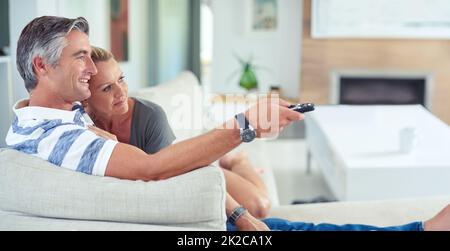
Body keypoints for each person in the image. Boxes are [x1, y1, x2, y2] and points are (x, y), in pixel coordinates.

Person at [5, 16, 450, 231]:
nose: (88, 67)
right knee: (282, 223)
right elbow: (150, 169)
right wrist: (245, 125)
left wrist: (92, 129)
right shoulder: (56, 134)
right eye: (78, 56)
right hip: (202, 229)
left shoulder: (45, 119)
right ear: (42, 66)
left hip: (196, 215)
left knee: (298, 226)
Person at [85, 46, 271, 219]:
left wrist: (116, 149)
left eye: (121, 79)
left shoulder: (150, 115)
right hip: (173, 173)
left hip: (188, 167)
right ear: (85, 98)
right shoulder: (81, 126)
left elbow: (166, 177)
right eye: (107, 88)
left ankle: (239, 161)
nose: (121, 92)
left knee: (260, 206)